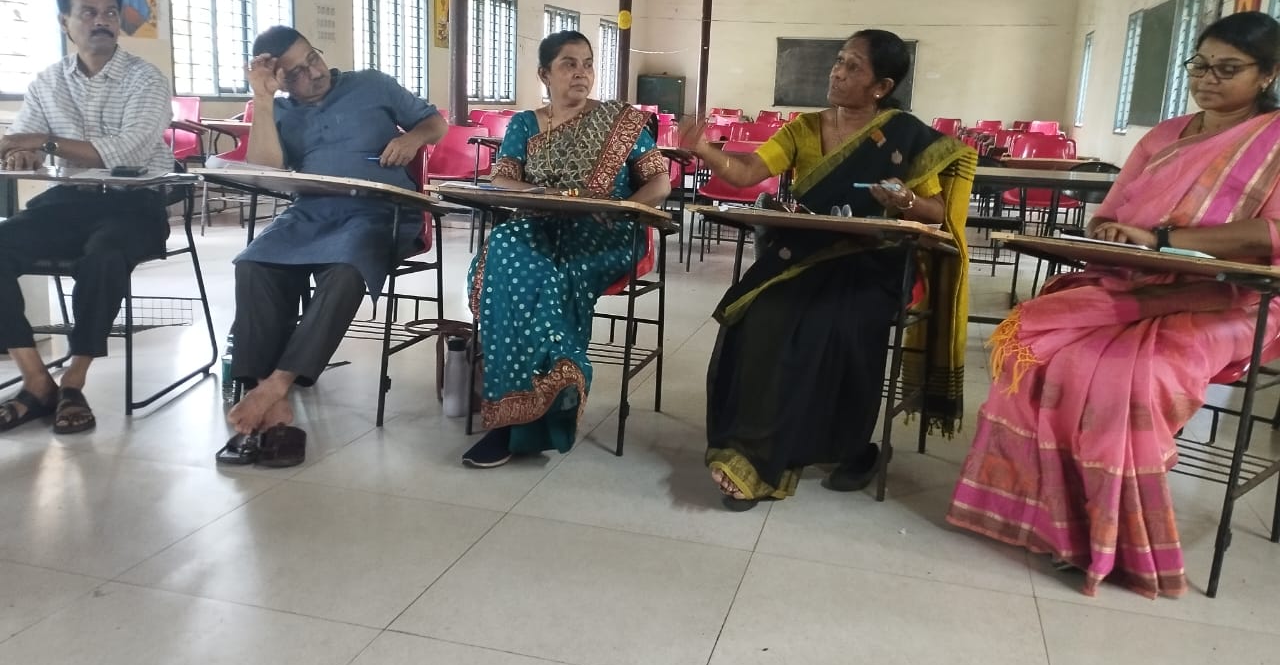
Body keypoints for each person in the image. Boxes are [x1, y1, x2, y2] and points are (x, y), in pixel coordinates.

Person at [948, 11, 1280, 599]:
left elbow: (1270, 234)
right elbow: (1110, 213)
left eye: (1227, 69)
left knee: (1132, 374)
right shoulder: (1162, 137)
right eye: (1200, 65)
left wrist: (1163, 239)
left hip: (1233, 297)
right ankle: (1048, 512)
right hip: (1132, 282)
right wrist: (1110, 234)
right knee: (1038, 351)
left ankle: (1106, 532)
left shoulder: (1273, 140)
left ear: (1268, 74)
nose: (1207, 78)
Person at [678, 30, 975, 509]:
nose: (836, 73)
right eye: (839, 61)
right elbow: (748, 172)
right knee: (758, 312)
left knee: (829, 321)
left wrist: (905, 199)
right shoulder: (805, 129)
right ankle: (751, 450)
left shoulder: (904, 134)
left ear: (881, 86)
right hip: (802, 256)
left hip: (873, 263)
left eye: (853, 66)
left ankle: (843, 446)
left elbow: (938, 212)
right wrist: (704, 149)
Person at [224, 26, 447, 441]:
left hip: (380, 214)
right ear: (280, 81)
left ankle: (277, 385)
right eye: (297, 73)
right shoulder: (280, 111)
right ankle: (262, 384)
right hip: (311, 213)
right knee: (253, 263)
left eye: (313, 57)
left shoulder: (372, 84)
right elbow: (266, 169)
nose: (314, 72)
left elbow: (435, 123)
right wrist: (263, 100)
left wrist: (414, 139)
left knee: (347, 267)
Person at [462, 30, 671, 469]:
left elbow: (660, 181)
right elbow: (502, 179)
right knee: (503, 251)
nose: (581, 73)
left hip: (606, 230)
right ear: (545, 74)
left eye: (587, 64)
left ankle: (542, 401)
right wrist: (543, 195)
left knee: (552, 275)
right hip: (539, 223)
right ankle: (523, 403)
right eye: (569, 64)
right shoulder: (525, 124)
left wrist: (623, 209)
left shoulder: (620, 120)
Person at [0, 0, 173, 435]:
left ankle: (73, 381)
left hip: (135, 202)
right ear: (65, 22)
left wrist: (45, 142)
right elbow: (22, 142)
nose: (102, 21)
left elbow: (128, 150)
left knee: (105, 255)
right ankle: (37, 381)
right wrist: (23, 153)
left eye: (110, 13)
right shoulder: (48, 81)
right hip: (69, 201)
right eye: (89, 13)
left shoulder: (146, 79)